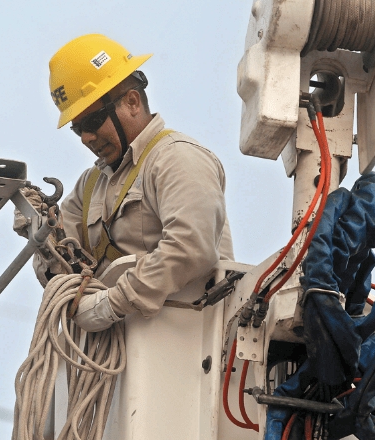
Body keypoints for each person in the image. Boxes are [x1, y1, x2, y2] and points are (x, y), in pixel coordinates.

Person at [16, 33, 233, 332]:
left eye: (92, 122)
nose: (87, 138)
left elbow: (190, 248)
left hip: (184, 347)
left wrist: (111, 304)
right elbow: (64, 277)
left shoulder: (176, 158)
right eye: (78, 129)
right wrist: (42, 237)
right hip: (114, 361)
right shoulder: (90, 185)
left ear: (132, 102)